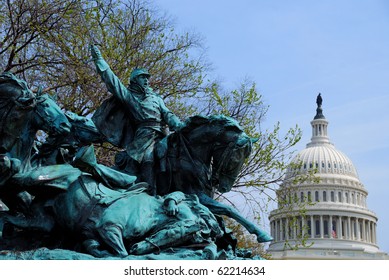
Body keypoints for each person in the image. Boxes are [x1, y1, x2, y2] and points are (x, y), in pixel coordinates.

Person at [90, 45, 184, 195]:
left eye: (147, 78)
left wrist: (178, 124)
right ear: (134, 80)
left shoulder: (156, 98)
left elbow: (167, 113)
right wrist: (99, 59)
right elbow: (112, 82)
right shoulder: (130, 97)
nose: (146, 81)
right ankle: (150, 192)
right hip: (143, 138)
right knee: (148, 158)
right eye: (143, 77)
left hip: (162, 135)